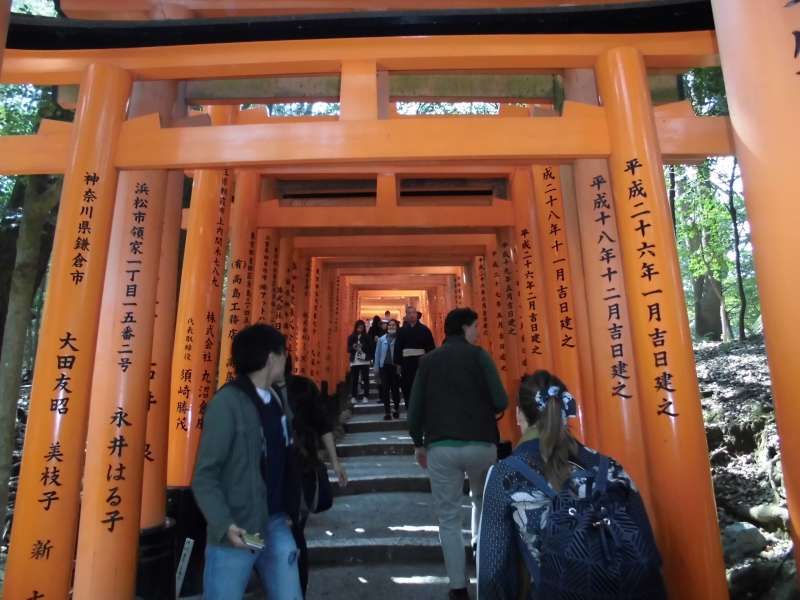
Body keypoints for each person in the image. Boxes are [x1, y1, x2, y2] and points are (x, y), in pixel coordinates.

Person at [477, 371, 664, 600]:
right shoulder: (610, 468)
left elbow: (493, 575)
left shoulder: (506, 475)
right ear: (566, 410)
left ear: (518, 415)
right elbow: (645, 548)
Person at [192, 324, 302, 600]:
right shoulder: (227, 403)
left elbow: (286, 458)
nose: (286, 359)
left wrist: (291, 508)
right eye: (283, 353)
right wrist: (223, 523)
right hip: (237, 529)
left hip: (275, 523)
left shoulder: (276, 398)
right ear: (271, 357)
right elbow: (205, 475)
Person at [408, 307, 508, 600]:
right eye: (476, 326)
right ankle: (484, 563)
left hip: (440, 447)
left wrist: (418, 442)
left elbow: (414, 411)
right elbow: (500, 398)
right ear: (465, 328)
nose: (478, 332)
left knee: (448, 518)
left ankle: (458, 587)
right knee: (483, 502)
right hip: (481, 444)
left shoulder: (428, 361)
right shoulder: (479, 356)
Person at [274, 356, 348, 597]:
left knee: (292, 532)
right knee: (286, 534)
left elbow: (323, 425)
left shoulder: (302, 388)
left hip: (298, 468)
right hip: (282, 471)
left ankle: (295, 588)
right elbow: (324, 425)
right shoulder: (259, 392)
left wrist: (335, 462)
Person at [394, 304, 435, 408]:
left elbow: (430, 348)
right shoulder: (401, 331)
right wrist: (398, 365)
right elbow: (398, 348)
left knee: (421, 386)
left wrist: (430, 364)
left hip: (421, 363)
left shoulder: (425, 330)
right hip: (406, 364)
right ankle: (409, 408)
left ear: (417, 315)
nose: (412, 315)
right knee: (407, 387)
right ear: (406, 316)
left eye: (414, 313)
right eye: (409, 313)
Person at [373, 319, 402, 420]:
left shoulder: (399, 339)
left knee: (395, 390)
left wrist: (401, 367)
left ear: (397, 326)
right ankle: (387, 412)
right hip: (384, 367)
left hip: (395, 367)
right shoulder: (382, 339)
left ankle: (396, 409)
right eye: (389, 325)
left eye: (393, 325)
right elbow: (377, 354)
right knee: (385, 390)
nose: (391, 327)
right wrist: (376, 369)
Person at [347, 320, 371, 404]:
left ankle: (366, 396)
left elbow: (370, 348)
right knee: (354, 379)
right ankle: (354, 396)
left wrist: (362, 347)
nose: (360, 328)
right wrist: (353, 347)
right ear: (356, 327)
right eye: (358, 327)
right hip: (355, 360)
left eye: (362, 327)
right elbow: (348, 349)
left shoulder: (367, 337)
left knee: (365, 378)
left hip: (364, 360)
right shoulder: (351, 337)